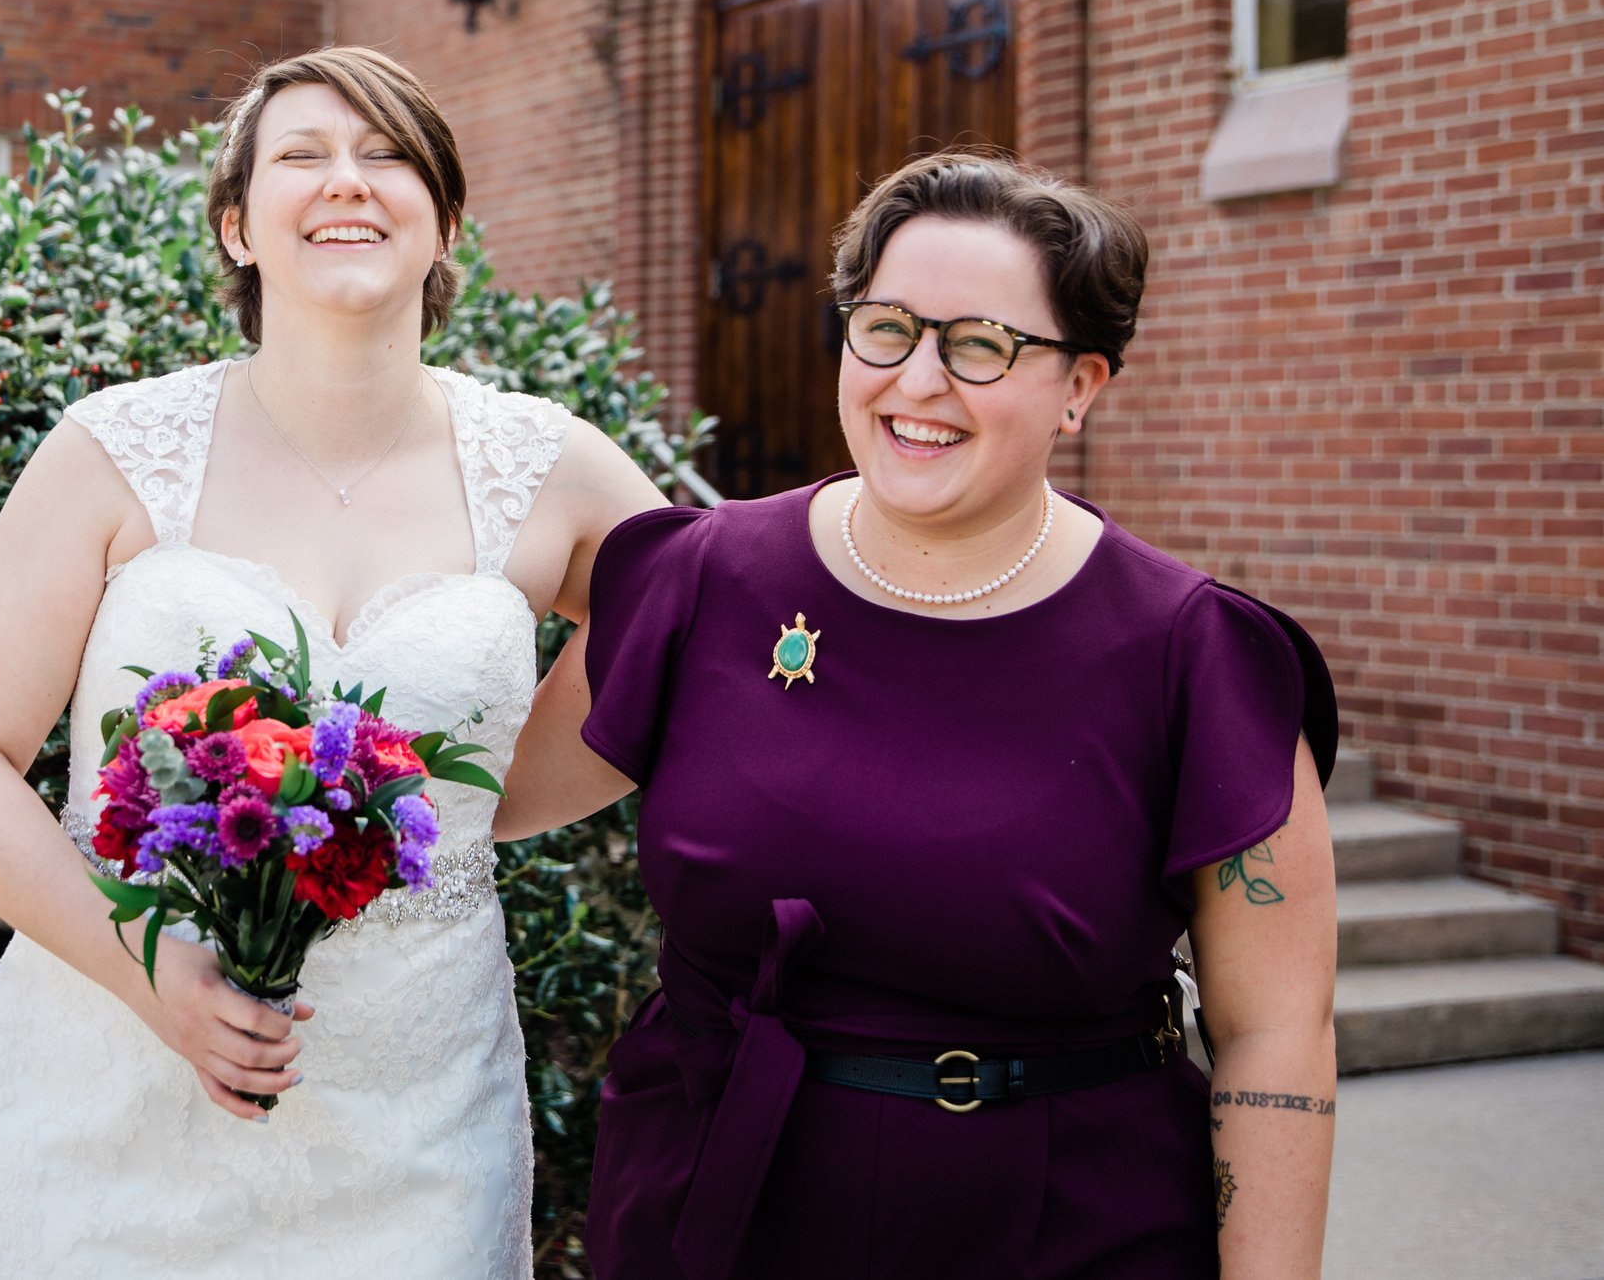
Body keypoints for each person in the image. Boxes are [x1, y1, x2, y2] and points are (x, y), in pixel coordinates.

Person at [495, 152, 1340, 1279]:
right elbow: (468, 807)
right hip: (714, 1209)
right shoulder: (701, 581)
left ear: (1081, 385)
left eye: (981, 343)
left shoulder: (1194, 653)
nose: (918, 379)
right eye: (885, 326)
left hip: (1068, 1226)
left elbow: (1273, 1031)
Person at [0, 47, 665, 1278]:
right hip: (111, 1090)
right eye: (301, 155)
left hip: (413, 1115)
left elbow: (698, 638)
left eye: (387, 156)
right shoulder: (112, 451)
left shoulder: (550, 465)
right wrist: (151, 971)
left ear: (446, 221)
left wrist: (480, 807)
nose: (345, 181)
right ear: (237, 226)